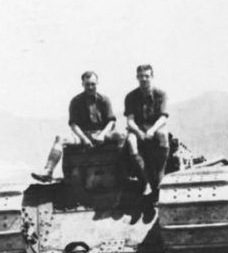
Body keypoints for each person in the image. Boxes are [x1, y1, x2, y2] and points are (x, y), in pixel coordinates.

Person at [32, 71, 121, 183]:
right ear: (82, 84)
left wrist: (102, 135)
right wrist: (84, 138)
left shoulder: (104, 100)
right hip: (82, 134)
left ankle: (127, 171)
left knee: (122, 135)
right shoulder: (76, 101)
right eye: (87, 84)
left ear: (97, 83)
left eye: (93, 84)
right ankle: (48, 171)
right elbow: (73, 124)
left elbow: (111, 121)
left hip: (102, 133)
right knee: (60, 138)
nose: (90, 87)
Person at [124, 64, 170, 198]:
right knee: (131, 141)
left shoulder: (161, 94)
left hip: (156, 126)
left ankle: (160, 175)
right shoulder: (131, 96)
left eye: (147, 76)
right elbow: (130, 120)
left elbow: (163, 117)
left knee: (163, 135)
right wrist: (139, 133)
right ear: (137, 77)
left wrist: (152, 130)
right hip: (138, 128)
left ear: (152, 77)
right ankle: (146, 180)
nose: (144, 79)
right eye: (141, 76)